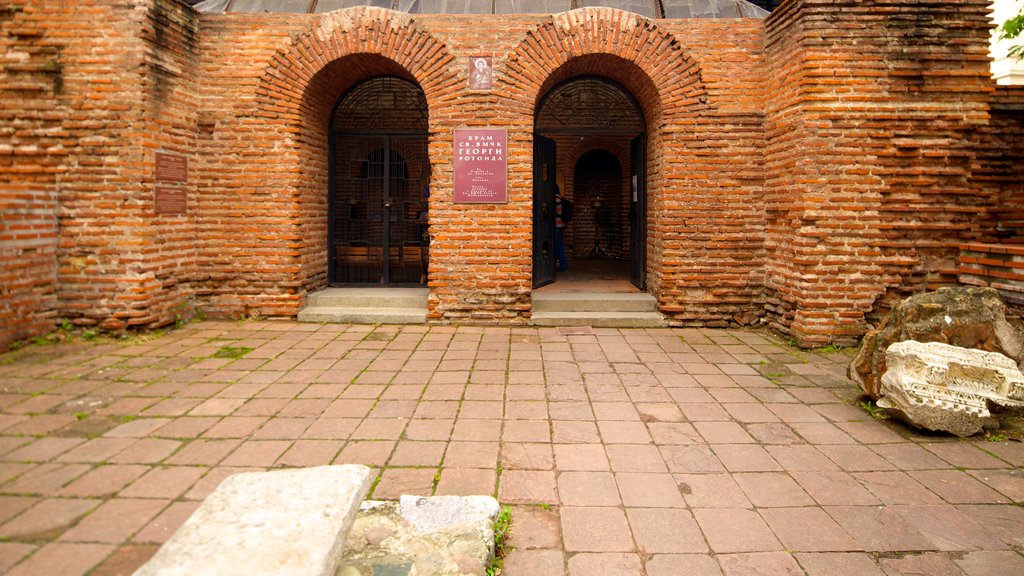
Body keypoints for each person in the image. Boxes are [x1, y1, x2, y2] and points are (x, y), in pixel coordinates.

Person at [554, 187, 567, 272]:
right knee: (559, 245)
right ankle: (563, 266)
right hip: (561, 225)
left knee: (556, 246)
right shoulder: (561, 199)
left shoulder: (555, 200)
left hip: (556, 225)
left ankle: (563, 266)